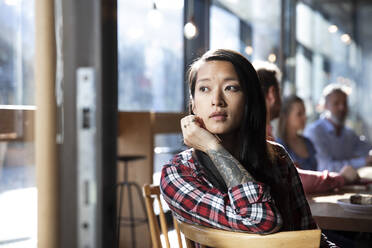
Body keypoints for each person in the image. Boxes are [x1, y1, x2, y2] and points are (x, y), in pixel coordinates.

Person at [160, 49, 336, 247]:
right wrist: (212, 147)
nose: (216, 100)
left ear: (249, 100)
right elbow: (260, 219)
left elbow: (309, 235)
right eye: (204, 89)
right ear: (193, 105)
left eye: (231, 88)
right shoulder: (177, 172)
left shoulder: (277, 156)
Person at [254, 62, 359, 194]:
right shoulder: (261, 136)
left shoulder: (264, 133)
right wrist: (341, 178)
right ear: (272, 94)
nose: (304, 118)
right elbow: (294, 180)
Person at [304, 83, 372, 172]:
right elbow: (325, 167)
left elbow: (366, 147)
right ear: (325, 105)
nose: (342, 107)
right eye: (336, 103)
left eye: (345, 103)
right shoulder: (314, 132)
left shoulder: (349, 134)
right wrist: (363, 162)